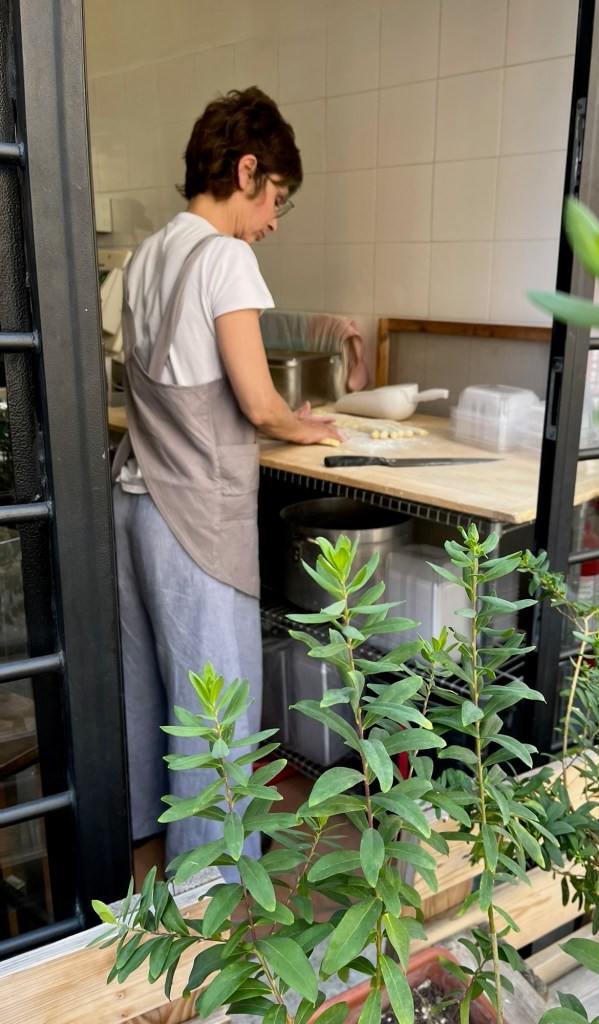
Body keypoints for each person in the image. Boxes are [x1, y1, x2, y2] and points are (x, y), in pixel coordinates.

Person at [111, 87, 344, 885]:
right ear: (247, 171)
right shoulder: (224, 257)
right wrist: (300, 425)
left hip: (135, 506)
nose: (273, 219)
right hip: (195, 522)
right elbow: (256, 399)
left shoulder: (147, 256)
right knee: (217, 713)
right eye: (276, 196)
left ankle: (149, 873)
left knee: (150, 699)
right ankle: (210, 897)